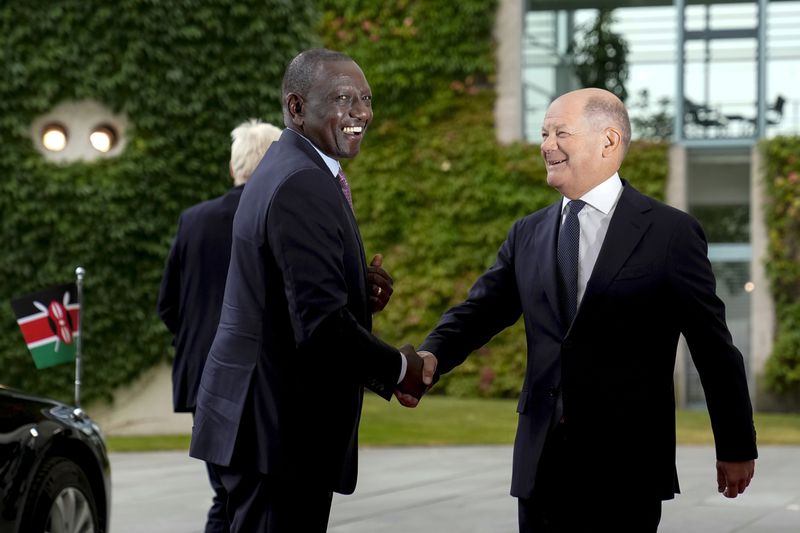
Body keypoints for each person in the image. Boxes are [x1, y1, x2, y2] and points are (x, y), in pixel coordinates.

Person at [417, 88, 757, 532]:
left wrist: (734, 444)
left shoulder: (670, 233)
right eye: (543, 133)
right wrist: (430, 357)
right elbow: (481, 311)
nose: (545, 145)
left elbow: (713, 346)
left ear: (608, 141)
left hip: (626, 468)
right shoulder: (528, 233)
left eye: (561, 133)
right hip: (541, 465)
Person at [189, 48, 436, 533]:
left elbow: (287, 288)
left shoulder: (292, 165)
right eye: (344, 98)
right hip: (277, 431)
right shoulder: (303, 180)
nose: (361, 112)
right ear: (297, 107)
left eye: (365, 99)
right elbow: (321, 327)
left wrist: (353, 289)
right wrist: (402, 369)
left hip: (263, 425)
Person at [157, 118, 282, 532]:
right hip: (258, 381)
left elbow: (168, 306)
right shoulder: (277, 219)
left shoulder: (193, 220)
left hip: (202, 378)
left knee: (226, 494)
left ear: (234, 167)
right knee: (258, 498)